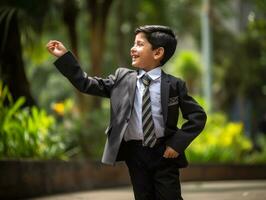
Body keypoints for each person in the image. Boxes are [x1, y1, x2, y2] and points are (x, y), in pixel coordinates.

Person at [46, 25, 207, 200]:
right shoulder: (122, 79)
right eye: (133, 44)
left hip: (164, 153)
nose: (133, 48)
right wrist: (64, 57)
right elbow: (86, 83)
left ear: (157, 53)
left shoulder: (174, 85)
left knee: (170, 197)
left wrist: (176, 144)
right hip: (135, 154)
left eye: (139, 44)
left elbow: (197, 117)